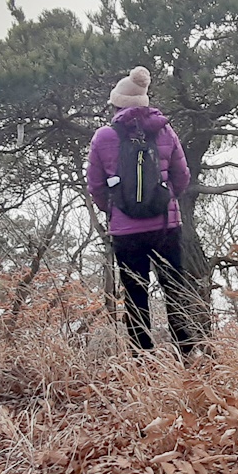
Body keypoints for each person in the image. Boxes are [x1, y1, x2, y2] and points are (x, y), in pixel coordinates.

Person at [86, 66, 198, 355]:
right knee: (175, 290)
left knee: (136, 296)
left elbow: (95, 185)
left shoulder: (103, 137)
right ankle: (189, 356)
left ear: (117, 105)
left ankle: (143, 361)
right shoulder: (165, 131)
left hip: (126, 232)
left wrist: (115, 210)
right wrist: (166, 200)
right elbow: (182, 175)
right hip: (165, 226)